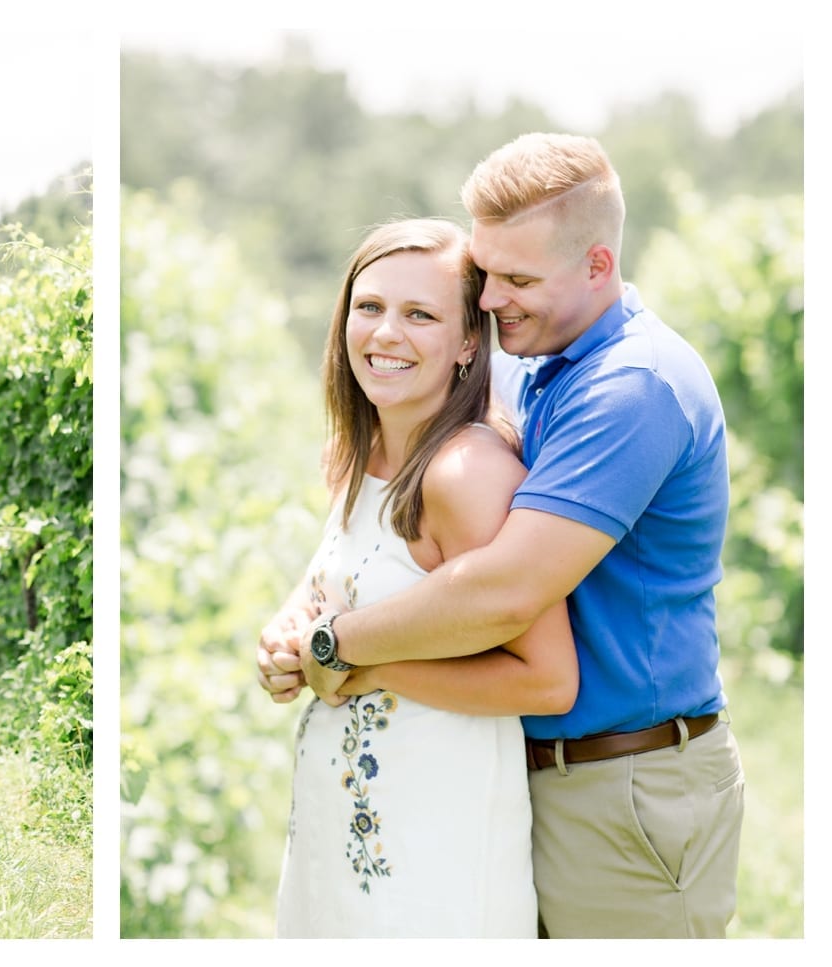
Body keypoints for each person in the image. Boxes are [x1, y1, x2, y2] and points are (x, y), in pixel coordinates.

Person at [261, 133, 745, 939]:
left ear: (597, 266)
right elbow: (376, 539)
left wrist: (338, 648)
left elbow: (502, 590)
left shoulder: (633, 387)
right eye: (486, 277)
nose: (490, 304)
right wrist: (302, 620)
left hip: (625, 781)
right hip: (527, 768)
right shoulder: (529, 355)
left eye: (516, 280)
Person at [266, 217, 578, 938]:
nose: (385, 333)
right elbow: (342, 588)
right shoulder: (355, 451)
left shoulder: (468, 474)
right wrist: (285, 636)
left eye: (420, 315)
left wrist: (375, 669)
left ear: (470, 341)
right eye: (369, 307)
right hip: (330, 835)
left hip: (432, 844)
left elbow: (547, 678)